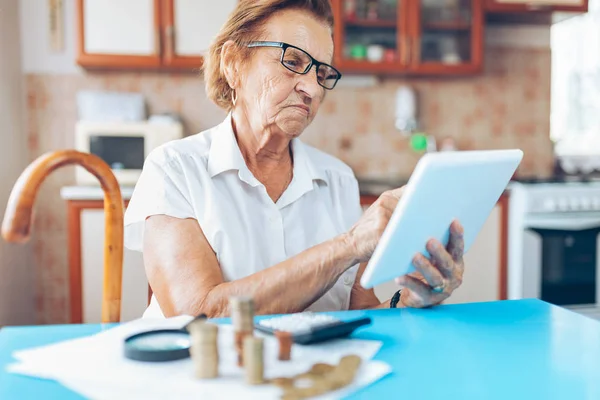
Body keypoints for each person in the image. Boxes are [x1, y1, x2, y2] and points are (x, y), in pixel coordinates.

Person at [124, 0, 465, 319]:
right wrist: (347, 246)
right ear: (233, 63)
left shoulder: (338, 180)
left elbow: (359, 315)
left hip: (306, 378)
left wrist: (407, 301)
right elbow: (199, 314)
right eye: (293, 61)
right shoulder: (174, 169)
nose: (313, 90)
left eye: (321, 74)